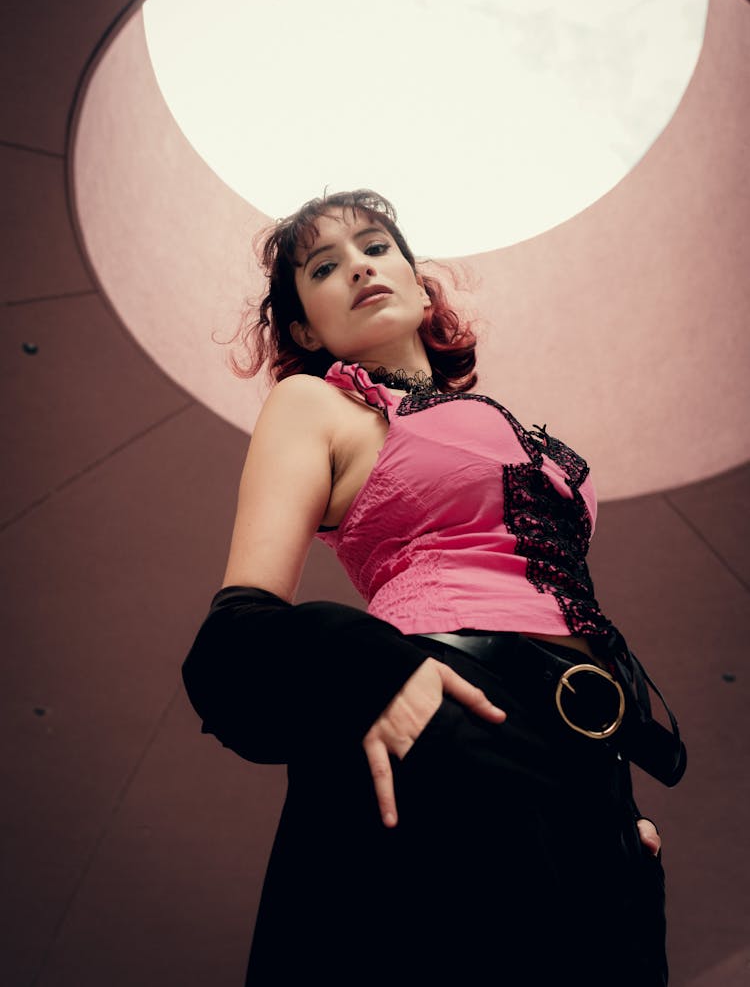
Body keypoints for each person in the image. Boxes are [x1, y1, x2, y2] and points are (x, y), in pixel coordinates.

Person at [182, 189, 675, 986]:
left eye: (376, 247)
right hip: (438, 705)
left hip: (588, 764)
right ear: (305, 328)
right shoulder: (316, 404)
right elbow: (237, 630)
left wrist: (608, 793)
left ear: (420, 286)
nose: (359, 267)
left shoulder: (509, 424)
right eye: (324, 265)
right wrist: (378, 671)